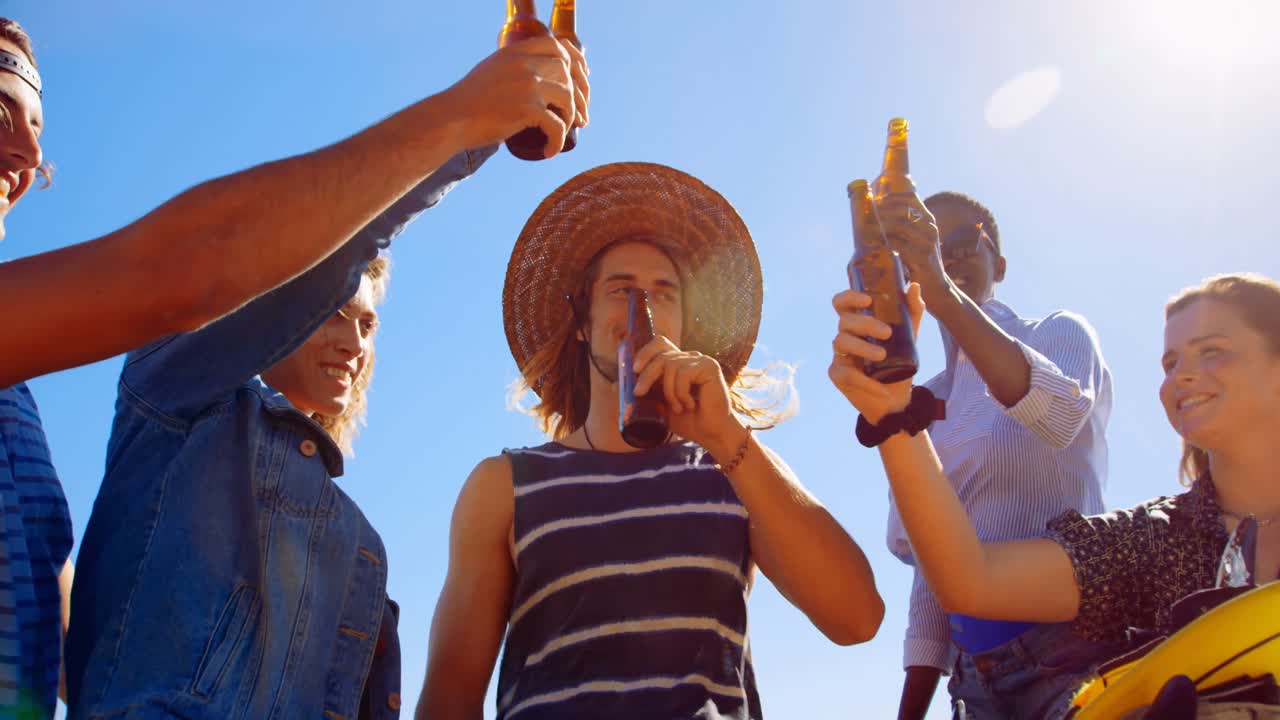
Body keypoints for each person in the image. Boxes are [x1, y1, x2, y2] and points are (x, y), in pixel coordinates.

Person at [0, 16, 584, 720]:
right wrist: (469, 122)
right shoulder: (184, 396)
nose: (31, 150)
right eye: (2, 110)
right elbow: (188, 272)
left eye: (36, 124)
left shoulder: (19, 406)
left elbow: (67, 632)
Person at [416, 162, 885, 720]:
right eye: (622, 290)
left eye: (664, 294)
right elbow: (451, 692)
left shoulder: (733, 465)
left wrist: (728, 436)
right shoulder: (503, 485)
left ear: (684, 325)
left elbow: (857, 618)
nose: (644, 309)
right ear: (583, 322)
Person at [829, 271, 1280, 719]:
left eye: (1212, 351)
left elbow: (1062, 415)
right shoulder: (1154, 540)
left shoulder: (1057, 331)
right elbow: (969, 582)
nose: (1182, 376)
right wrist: (891, 412)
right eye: (1170, 363)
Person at [873, 192, 1113, 719]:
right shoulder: (918, 402)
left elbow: (1059, 417)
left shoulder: (1058, 332)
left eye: (959, 244)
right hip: (974, 680)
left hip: (1070, 655)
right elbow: (933, 564)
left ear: (998, 264)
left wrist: (942, 293)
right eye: (925, 249)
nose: (944, 257)